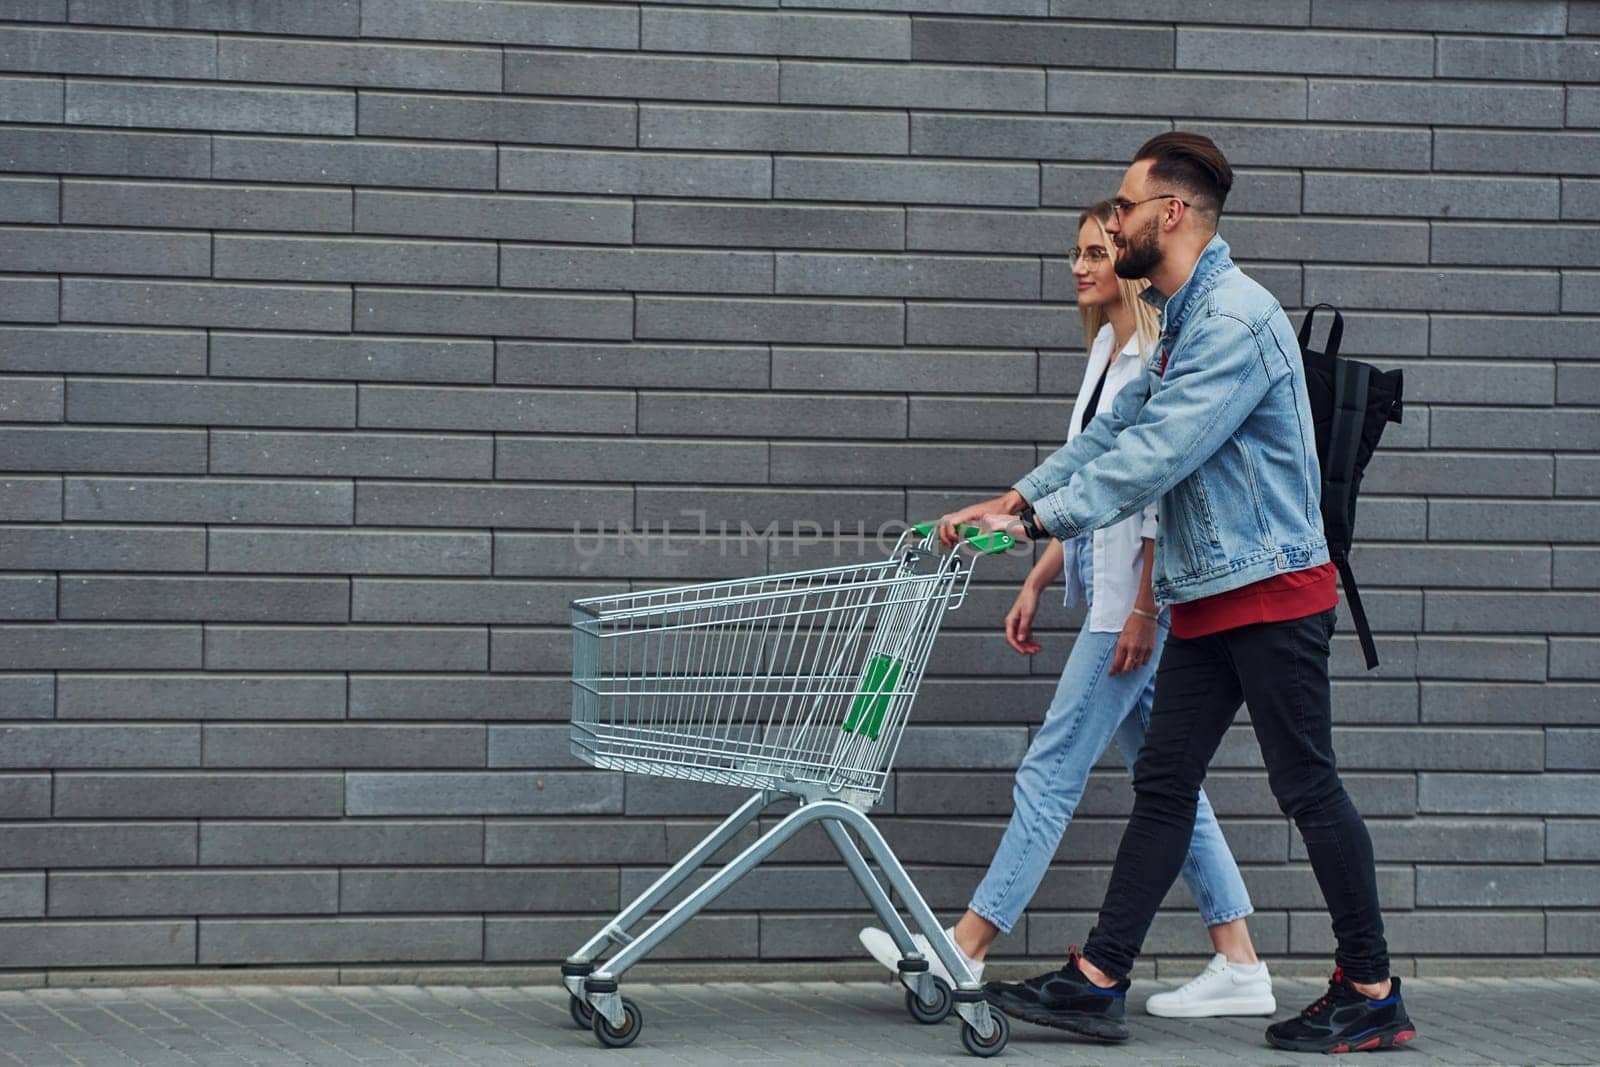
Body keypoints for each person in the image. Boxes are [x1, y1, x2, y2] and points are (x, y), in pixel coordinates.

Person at [939, 133, 1416, 1054]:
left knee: (1305, 783)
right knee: (1162, 782)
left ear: (1172, 214)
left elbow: (1155, 457)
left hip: (1274, 594)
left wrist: (1039, 526)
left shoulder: (1234, 320)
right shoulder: (1182, 317)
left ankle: (1370, 986)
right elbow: (1113, 431)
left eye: (1121, 207)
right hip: (1210, 594)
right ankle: (1099, 977)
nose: (1110, 222)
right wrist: (1017, 498)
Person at [858, 200, 1275, 1023]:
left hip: (1132, 604)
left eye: (1097, 248)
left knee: (1050, 769)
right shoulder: (1105, 347)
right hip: (1105, 592)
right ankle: (1240, 961)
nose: (1083, 265)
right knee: (1170, 782)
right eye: (1077, 252)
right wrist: (1041, 573)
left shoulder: (1157, 351)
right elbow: (1086, 482)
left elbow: (1157, 492)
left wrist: (1146, 609)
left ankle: (967, 944)